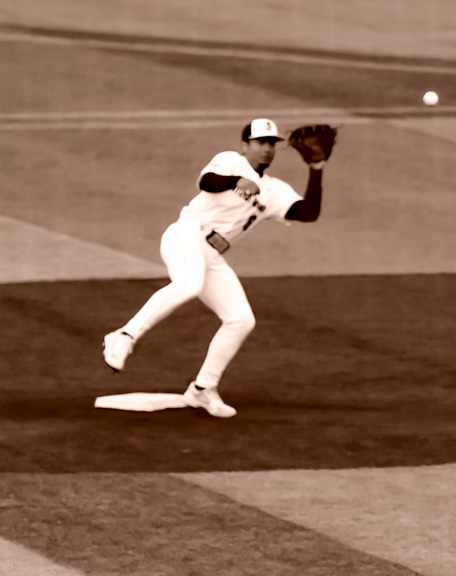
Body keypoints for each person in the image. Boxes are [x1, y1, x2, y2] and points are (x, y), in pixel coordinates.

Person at [101, 118, 327, 418]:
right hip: (187, 234)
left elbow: (308, 212)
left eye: (272, 143)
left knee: (241, 320)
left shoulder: (275, 190)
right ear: (245, 145)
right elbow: (207, 181)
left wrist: (317, 168)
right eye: (260, 142)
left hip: (212, 254)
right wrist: (236, 181)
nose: (267, 149)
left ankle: (202, 389)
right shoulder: (231, 161)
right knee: (190, 283)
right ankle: (124, 336)